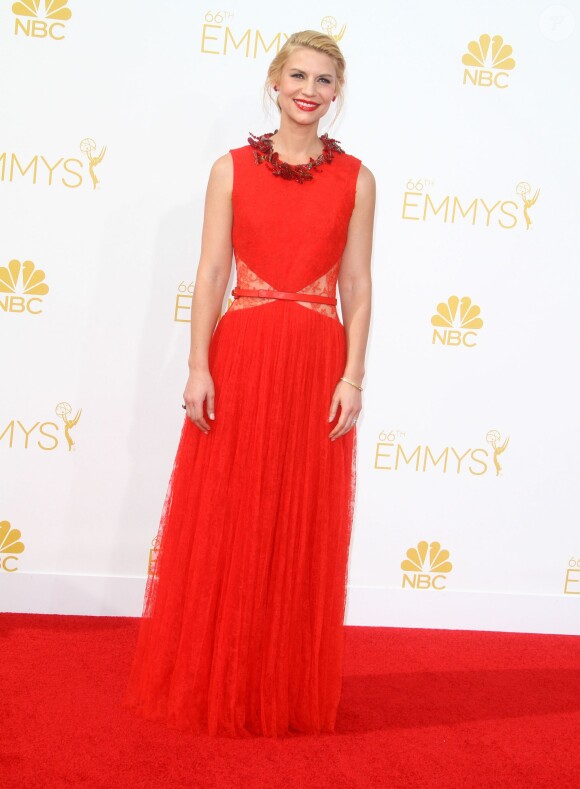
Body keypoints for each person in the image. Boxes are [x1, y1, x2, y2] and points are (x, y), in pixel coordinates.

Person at [122, 29, 375, 738]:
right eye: (298, 74)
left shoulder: (357, 178)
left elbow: (357, 282)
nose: (310, 89)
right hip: (243, 352)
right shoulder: (230, 169)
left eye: (325, 80)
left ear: (337, 93)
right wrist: (198, 363)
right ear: (273, 79)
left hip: (317, 358)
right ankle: (217, 676)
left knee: (299, 525)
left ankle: (282, 684)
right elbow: (208, 273)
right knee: (231, 516)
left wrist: (354, 374)